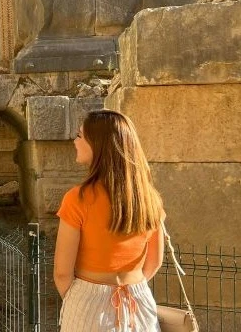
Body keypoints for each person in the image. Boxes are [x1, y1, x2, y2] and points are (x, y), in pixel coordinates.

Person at [54, 110, 165, 331]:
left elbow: (62, 272)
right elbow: (153, 262)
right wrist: (131, 286)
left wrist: (81, 298)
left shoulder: (78, 198)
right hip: (138, 300)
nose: (75, 141)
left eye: (79, 135)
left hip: (89, 302)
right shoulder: (149, 198)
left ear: (97, 144)